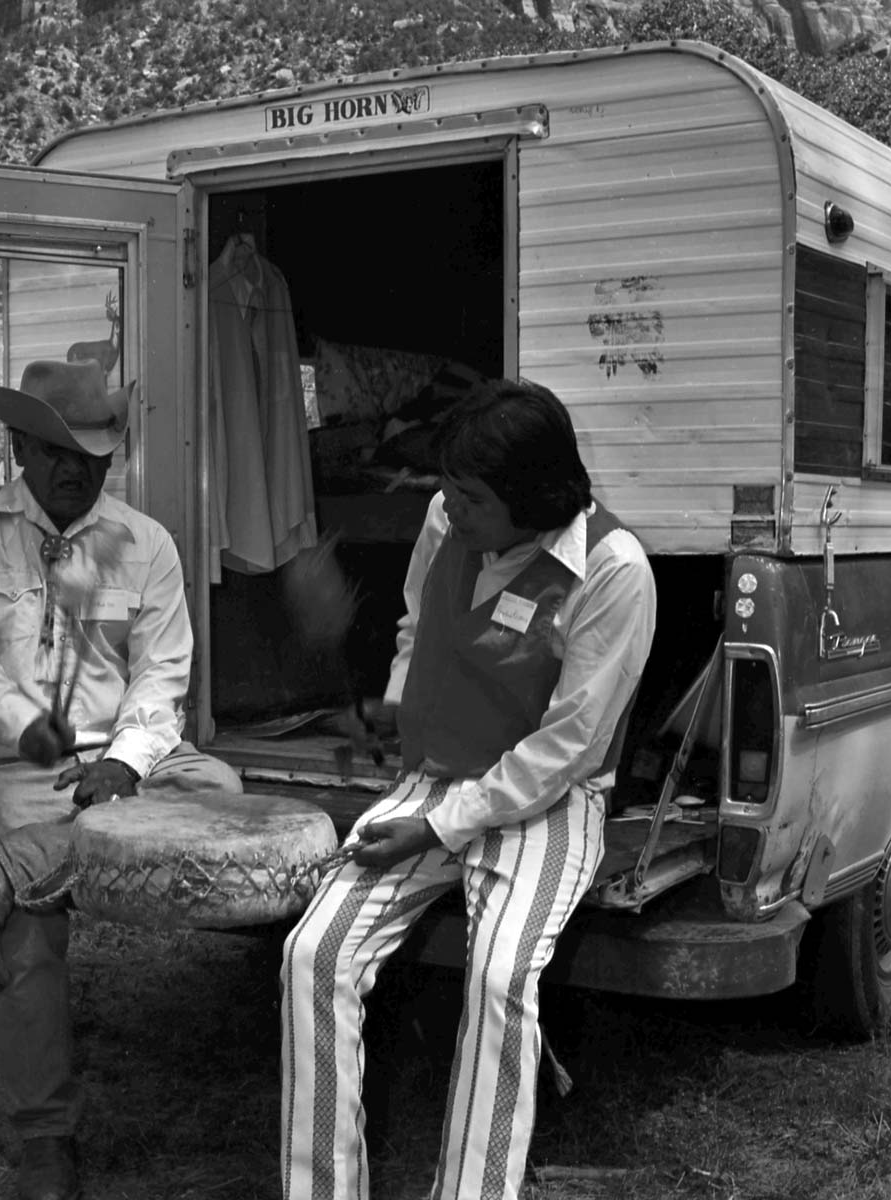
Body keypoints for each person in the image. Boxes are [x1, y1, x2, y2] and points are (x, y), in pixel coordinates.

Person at [280, 378, 657, 1200]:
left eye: (471, 495)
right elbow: (418, 621)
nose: (450, 506)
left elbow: (565, 748)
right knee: (313, 952)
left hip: (551, 800)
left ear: (535, 498)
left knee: (497, 978)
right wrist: (401, 702)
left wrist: (438, 829)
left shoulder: (614, 570)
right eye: (445, 486)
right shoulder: (447, 517)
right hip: (438, 774)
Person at [0, 359, 242, 1200]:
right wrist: (29, 726)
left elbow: (162, 676)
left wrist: (124, 763)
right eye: (60, 453)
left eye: (97, 454)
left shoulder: (148, 543)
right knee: (28, 936)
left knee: (226, 801)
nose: (79, 470)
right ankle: (45, 1139)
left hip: (126, 756)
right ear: (20, 446)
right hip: (18, 758)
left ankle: (11, 864)